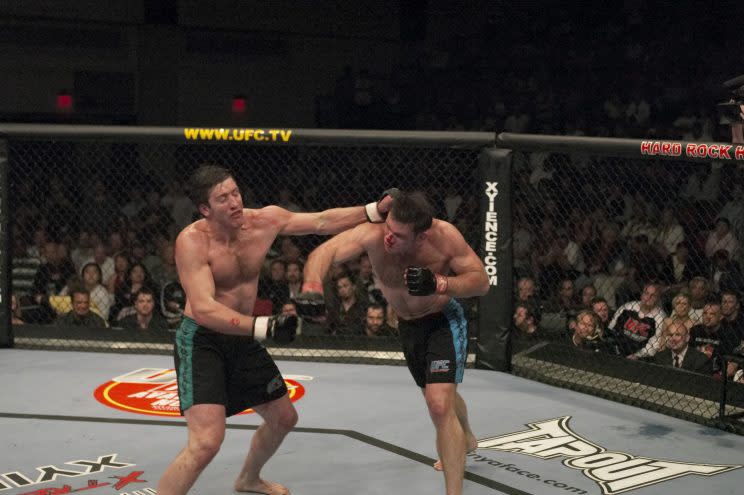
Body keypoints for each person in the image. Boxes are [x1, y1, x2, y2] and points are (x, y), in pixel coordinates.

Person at [157, 164, 395, 495]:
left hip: (242, 338)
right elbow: (206, 309)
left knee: (284, 418)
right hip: (202, 341)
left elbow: (322, 220)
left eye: (235, 192)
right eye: (223, 198)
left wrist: (374, 210)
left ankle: (248, 479)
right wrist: (263, 326)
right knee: (206, 443)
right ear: (204, 209)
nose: (235, 202)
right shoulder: (192, 242)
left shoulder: (263, 221)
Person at [296, 190, 489, 495]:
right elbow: (325, 252)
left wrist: (441, 283)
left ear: (421, 236)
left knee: (438, 404)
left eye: (398, 235)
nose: (388, 238)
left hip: (441, 320)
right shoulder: (374, 234)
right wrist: (312, 286)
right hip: (407, 325)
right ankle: (464, 434)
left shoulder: (445, 237)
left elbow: (481, 281)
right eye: (389, 228)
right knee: (438, 393)